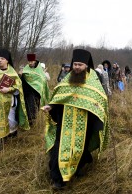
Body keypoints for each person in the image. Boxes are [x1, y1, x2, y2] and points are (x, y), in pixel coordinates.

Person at [42, 49, 109, 189]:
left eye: (80, 65)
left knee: (80, 148)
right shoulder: (68, 78)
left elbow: (99, 99)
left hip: (85, 122)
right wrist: (51, 106)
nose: (77, 67)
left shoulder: (93, 80)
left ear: (86, 66)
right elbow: (60, 96)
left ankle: (76, 169)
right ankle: (58, 180)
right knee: (60, 148)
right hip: (65, 120)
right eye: (75, 64)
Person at [0, 49, 29, 154]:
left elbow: (18, 86)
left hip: (9, 102)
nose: (0, 60)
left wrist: (8, 89)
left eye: (2, 59)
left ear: (7, 60)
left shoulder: (12, 73)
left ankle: (8, 138)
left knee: (9, 121)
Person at [20, 53, 50, 126]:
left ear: (34, 61)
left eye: (32, 61)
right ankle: (28, 123)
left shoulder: (39, 69)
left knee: (35, 108)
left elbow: (43, 79)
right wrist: (20, 75)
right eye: (29, 61)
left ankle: (33, 123)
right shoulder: (26, 68)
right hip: (27, 92)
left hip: (37, 93)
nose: (30, 63)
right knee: (27, 108)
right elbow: (22, 79)